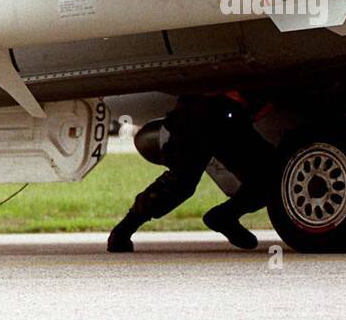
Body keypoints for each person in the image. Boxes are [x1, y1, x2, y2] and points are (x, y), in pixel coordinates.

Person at [108, 92, 276, 252]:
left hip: (226, 120)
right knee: (180, 183)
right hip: (202, 117)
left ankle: (224, 216)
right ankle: (123, 231)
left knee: (271, 178)